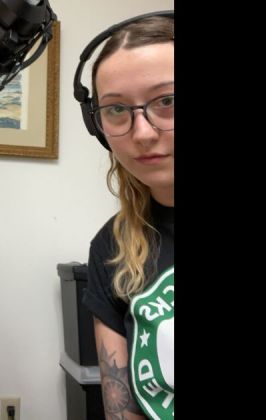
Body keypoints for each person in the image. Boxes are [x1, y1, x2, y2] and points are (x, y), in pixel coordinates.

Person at [77, 12, 174, 420]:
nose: (143, 133)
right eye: (116, 109)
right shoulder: (110, 247)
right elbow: (122, 410)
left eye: (167, 101)